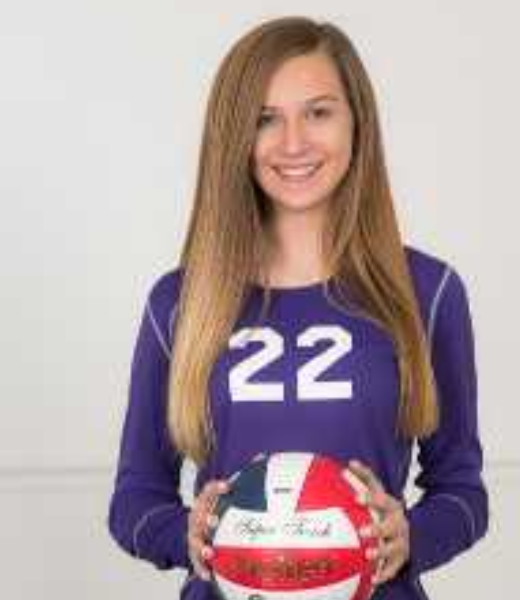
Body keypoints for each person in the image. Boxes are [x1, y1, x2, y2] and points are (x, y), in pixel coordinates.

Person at [107, 15, 489, 600]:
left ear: (357, 122)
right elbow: (134, 498)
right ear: (235, 136)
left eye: (318, 112)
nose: (293, 143)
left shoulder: (426, 291)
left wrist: (410, 536)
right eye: (265, 118)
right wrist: (187, 536)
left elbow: (463, 490)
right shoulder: (181, 302)